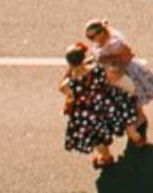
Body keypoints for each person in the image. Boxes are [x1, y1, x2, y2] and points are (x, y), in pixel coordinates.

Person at [59, 42, 142, 170]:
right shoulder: (97, 68)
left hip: (88, 113)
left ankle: (106, 157)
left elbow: (63, 88)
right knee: (122, 118)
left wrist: (70, 70)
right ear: (83, 57)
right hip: (105, 102)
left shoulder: (70, 83)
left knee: (97, 137)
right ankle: (136, 137)